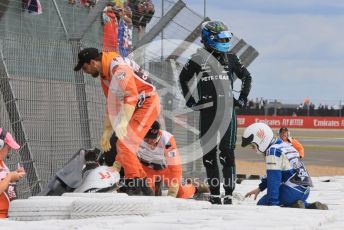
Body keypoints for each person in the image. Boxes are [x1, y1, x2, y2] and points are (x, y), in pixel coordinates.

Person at [178, 21, 252, 204]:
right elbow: (183, 78)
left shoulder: (232, 57)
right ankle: (214, 195)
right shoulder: (197, 58)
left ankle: (228, 194)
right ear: (209, 39)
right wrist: (191, 101)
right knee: (209, 154)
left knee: (227, 153)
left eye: (227, 38)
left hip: (228, 113)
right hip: (207, 113)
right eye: (222, 38)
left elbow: (247, 77)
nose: (226, 41)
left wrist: (241, 99)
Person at [74, 47, 160, 196]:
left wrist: (123, 123)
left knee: (124, 144)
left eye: (85, 67)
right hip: (136, 106)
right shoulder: (105, 75)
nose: (84, 71)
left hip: (147, 103)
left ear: (93, 62)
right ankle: (144, 186)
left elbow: (131, 96)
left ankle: (136, 185)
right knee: (123, 145)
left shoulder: (118, 68)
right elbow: (112, 105)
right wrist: (106, 133)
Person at [242, 122, 328, 210]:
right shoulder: (285, 145)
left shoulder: (273, 151)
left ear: (261, 141)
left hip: (292, 190)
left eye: (253, 145)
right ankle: (305, 205)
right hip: (305, 190)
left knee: (262, 203)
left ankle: (295, 205)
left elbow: (274, 180)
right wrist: (260, 188)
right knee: (285, 196)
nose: (252, 149)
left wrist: (272, 204)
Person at [137, 121, 209, 198]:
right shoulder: (136, 136)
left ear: (158, 134)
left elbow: (175, 166)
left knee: (180, 193)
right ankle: (156, 187)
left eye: (152, 139)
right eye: (146, 140)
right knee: (147, 193)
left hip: (166, 169)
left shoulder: (167, 140)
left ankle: (195, 187)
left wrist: (173, 188)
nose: (150, 142)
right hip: (147, 169)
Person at [0, 128, 26, 218]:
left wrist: (15, 174)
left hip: (6, 216)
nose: (9, 151)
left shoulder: (2, 163)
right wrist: (10, 176)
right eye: (8, 147)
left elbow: (3, 179)